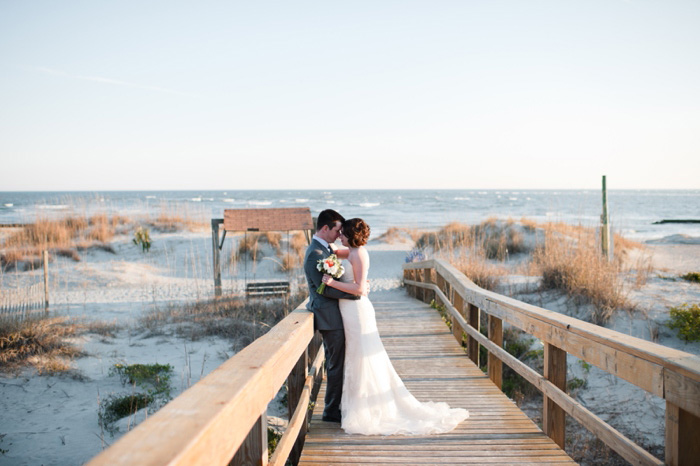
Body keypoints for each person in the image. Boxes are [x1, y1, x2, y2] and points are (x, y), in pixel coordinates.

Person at [321, 218, 469, 435]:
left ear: (351, 235)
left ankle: (365, 408)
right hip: (348, 311)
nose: (340, 236)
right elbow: (332, 251)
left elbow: (360, 288)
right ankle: (353, 405)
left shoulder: (360, 254)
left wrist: (332, 283)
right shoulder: (350, 251)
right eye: (339, 232)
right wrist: (323, 242)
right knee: (354, 357)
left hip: (357, 312)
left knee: (362, 358)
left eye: (343, 233)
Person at [303, 209, 361, 423]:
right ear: (325, 228)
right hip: (328, 315)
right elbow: (322, 289)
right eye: (337, 230)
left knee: (340, 361)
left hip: (336, 312)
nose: (339, 234)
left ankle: (337, 405)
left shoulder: (326, 249)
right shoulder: (315, 254)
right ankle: (331, 411)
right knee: (335, 363)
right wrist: (354, 293)